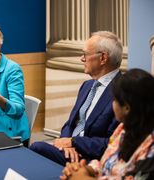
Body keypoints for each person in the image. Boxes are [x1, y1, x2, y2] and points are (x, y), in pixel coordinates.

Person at [29, 31, 121, 165]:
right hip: (71, 151)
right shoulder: (87, 85)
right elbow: (70, 123)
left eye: (86, 54)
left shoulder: (124, 92)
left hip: (93, 158)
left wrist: (74, 142)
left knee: (37, 148)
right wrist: (66, 143)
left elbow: (112, 143)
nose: (82, 58)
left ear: (103, 58)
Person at [60, 68, 154, 180]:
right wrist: (83, 170)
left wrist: (82, 178)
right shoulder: (123, 129)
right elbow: (104, 165)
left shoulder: (151, 147)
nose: (113, 104)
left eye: (115, 100)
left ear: (127, 107)